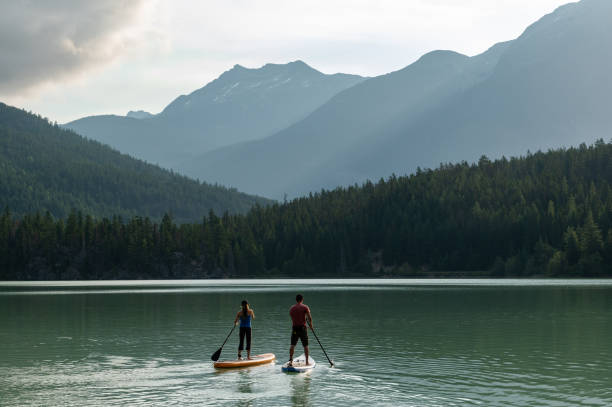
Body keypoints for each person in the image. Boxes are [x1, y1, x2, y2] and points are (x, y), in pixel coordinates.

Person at [288, 294, 313, 366]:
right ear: (302, 300)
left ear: (296, 300)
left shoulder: (292, 308)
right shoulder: (305, 307)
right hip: (302, 329)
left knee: (292, 345)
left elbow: (292, 317)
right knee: (305, 345)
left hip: (295, 328)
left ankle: (290, 360)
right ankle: (307, 362)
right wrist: (311, 325)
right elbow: (309, 318)